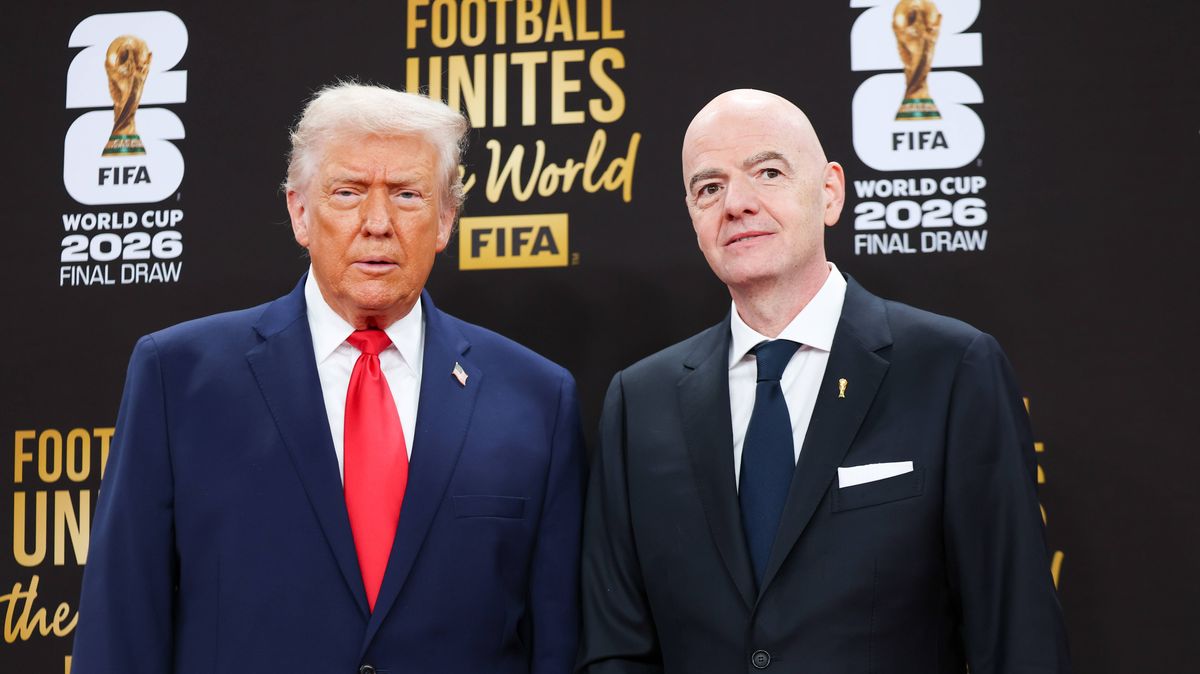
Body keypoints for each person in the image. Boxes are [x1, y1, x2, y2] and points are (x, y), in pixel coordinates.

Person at [73, 82, 585, 674]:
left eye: (407, 195)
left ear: (446, 219)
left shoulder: (536, 399)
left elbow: (557, 644)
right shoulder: (178, 379)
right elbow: (121, 630)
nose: (377, 222)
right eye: (347, 192)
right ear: (299, 212)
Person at [577, 89, 1070, 673]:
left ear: (830, 192)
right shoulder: (640, 402)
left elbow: (1017, 633)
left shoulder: (951, 369)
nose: (736, 204)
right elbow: (616, 647)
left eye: (768, 172)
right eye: (709, 188)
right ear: (693, 216)